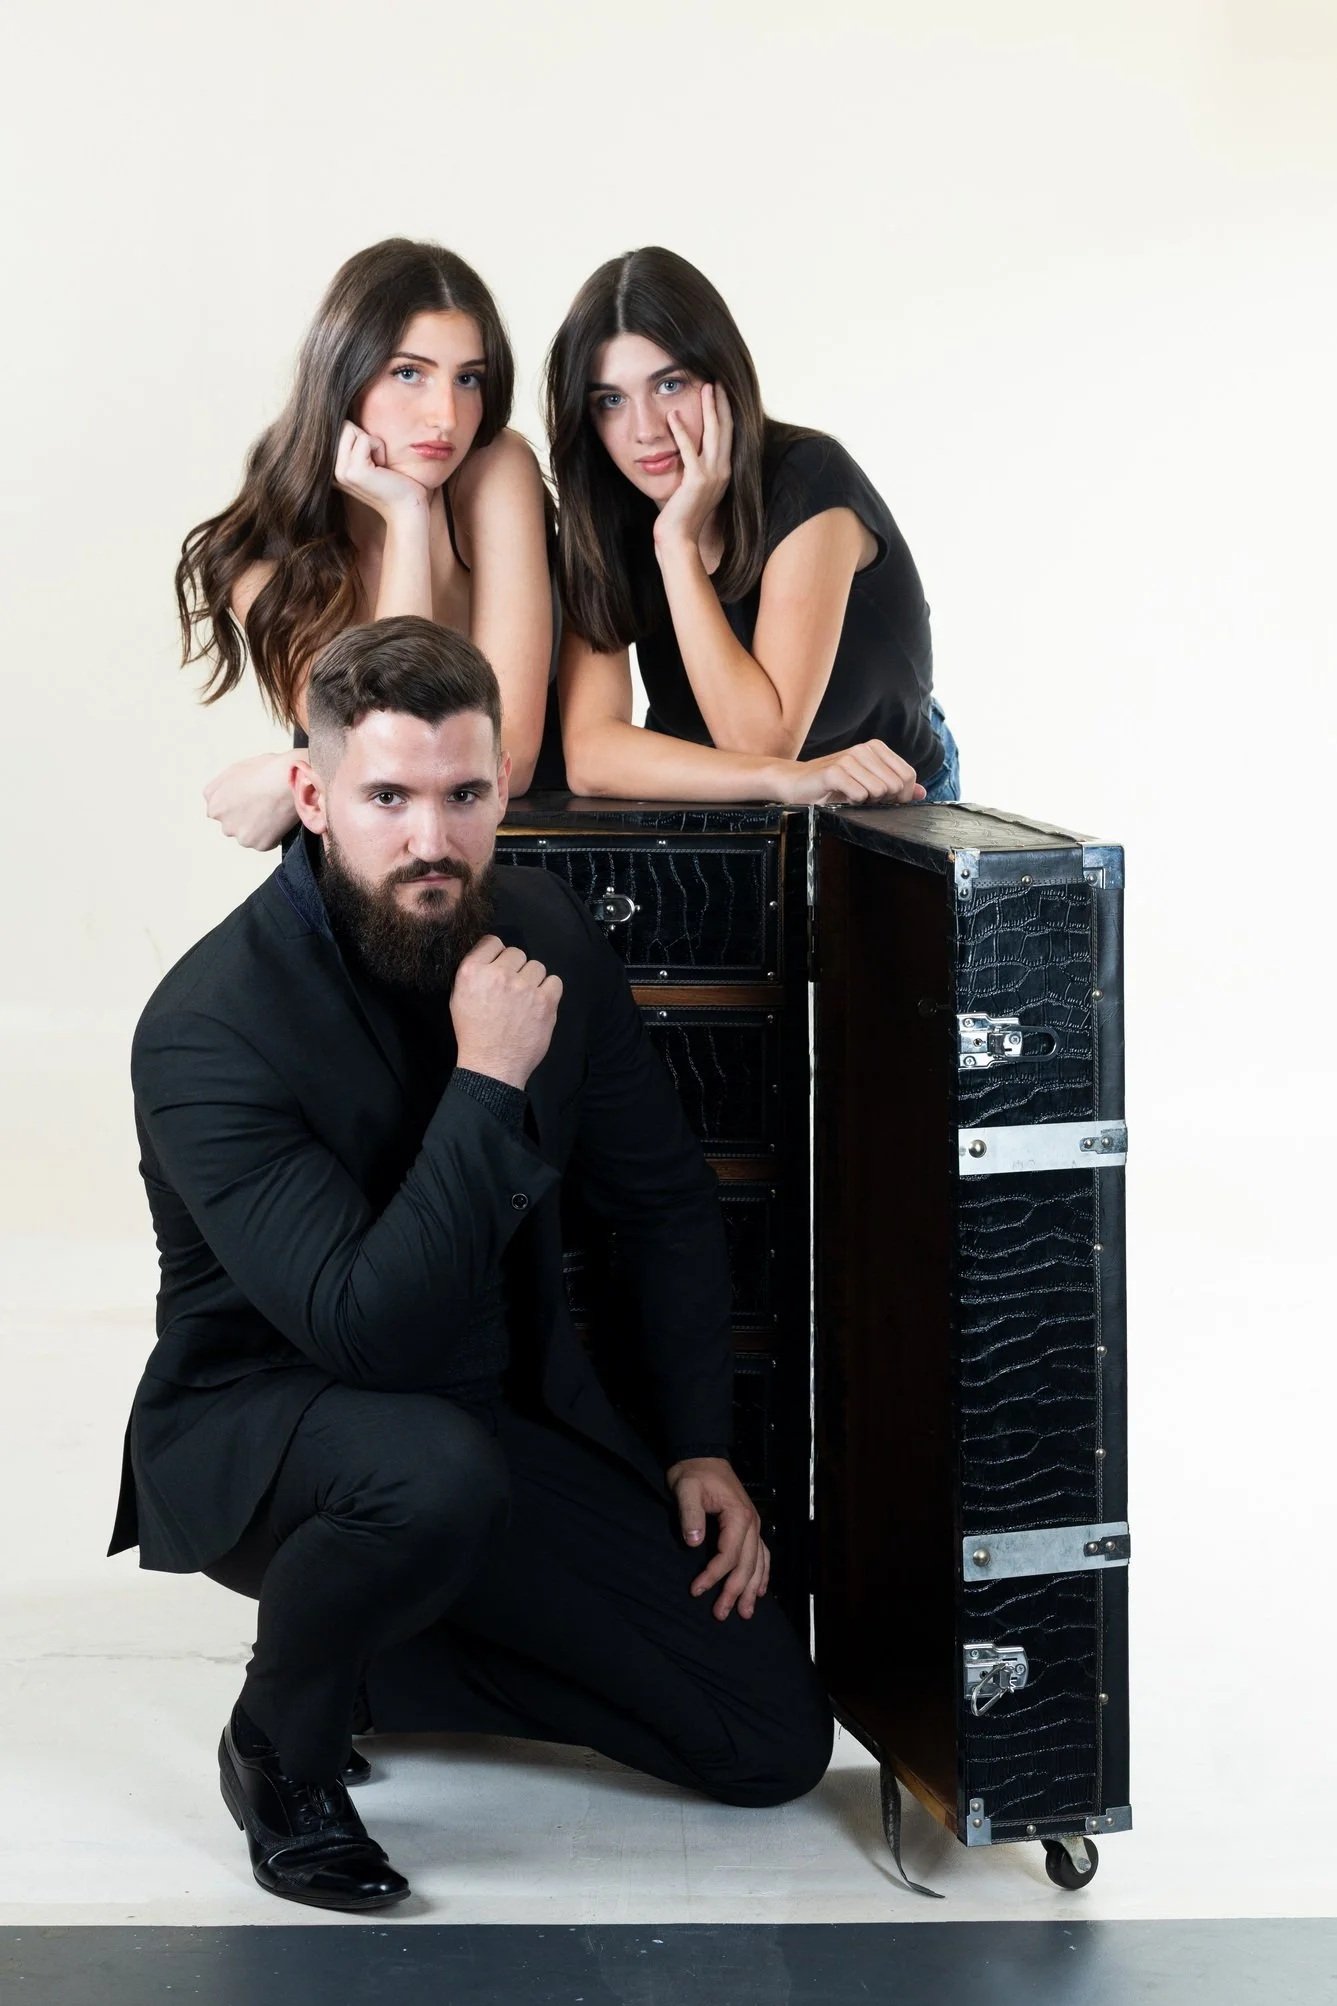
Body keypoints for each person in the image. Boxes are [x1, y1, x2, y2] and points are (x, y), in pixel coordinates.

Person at [110, 615, 833, 1912]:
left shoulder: (541, 927)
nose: (431, 842)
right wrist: (488, 1076)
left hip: (489, 1429)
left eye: (462, 794)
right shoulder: (209, 1028)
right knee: (423, 1472)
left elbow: (661, 1196)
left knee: (768, 1739)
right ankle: (280, 1746)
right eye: (387, 797)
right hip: (274, 1426)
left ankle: (387, 1653)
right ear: (312, 795)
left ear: (501, 785)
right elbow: (361, 1334)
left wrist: (696, 1445)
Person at [176, 239, 560, 852]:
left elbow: (513, 754)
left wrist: (291, 773)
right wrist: (407, 517)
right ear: (344, 378)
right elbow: (404, 760)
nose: (447, 416)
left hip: (511, 855)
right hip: (368, 881)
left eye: (469, 379)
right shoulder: (262, 562)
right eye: (409, 373)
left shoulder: (495, 468)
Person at [546, 246, 959, 807]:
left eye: (670, 385)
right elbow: (593, 757)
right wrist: (775, 781)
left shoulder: (808, 481)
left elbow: (761, 742)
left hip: (888, 804)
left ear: (723, 376)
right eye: (611, 400)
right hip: (714, 801)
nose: (644, 429)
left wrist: (676, 544)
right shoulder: (607, 509)